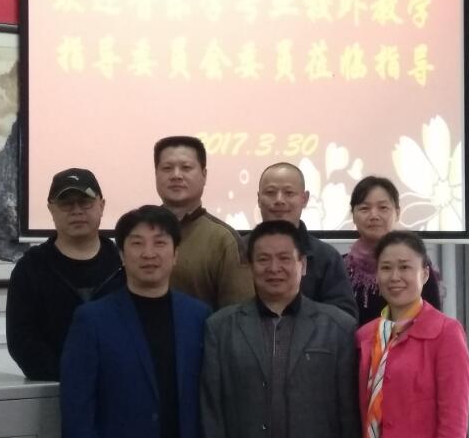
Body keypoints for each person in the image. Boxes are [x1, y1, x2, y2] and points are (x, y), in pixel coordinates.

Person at [60, 205, 211, 438]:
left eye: (160, 243)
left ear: (176, 254)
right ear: (121, 254)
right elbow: (76, 412)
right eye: (137, 243)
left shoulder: (199, 317)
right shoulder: (92, 320)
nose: (149, 253)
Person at [200, 220, 361, 438]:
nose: (274, 268)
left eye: (285, 258)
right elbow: (212, 417)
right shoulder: (220, 328)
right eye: (263, 259)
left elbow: (350, 416)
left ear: (303, 265)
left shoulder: (339, 327)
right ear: (250, 266)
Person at [357, 230, 469, 438]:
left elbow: (454, 425)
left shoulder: (446, 334)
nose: (395, 277)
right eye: (386, 268)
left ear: (424, 274)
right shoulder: (366, 337)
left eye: (405, 267)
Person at [6, 168, 124, 381]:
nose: (76, 211)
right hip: (55, 389)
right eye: (66, 203)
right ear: (51, 209)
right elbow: (21, 339)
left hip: (121, 387)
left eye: (85, 202)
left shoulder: (124, 264)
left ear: (102, 205)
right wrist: (71, 376)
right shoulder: (31, 268)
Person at [154, 135, 254, 310]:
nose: (176, 175)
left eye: (186, 168)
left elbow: (239, 314)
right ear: (156, 174)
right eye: (167, 168)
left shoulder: (223, 238)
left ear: (204, 175)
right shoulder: (140, 231)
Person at [256, 162, 358, 320]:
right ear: (258, 199)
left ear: (304, 199)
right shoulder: (238, 250)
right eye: (270, 192)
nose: (279, 200)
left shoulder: (327, 257)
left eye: (289, 193)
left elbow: (345, 318)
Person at [344, 176, 441, 324]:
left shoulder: (417, 264)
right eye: (364, 208)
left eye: (383, 208)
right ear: (353, 215)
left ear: (397, 212)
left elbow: (434, 320)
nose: (374, 215)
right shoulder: (338, 266)